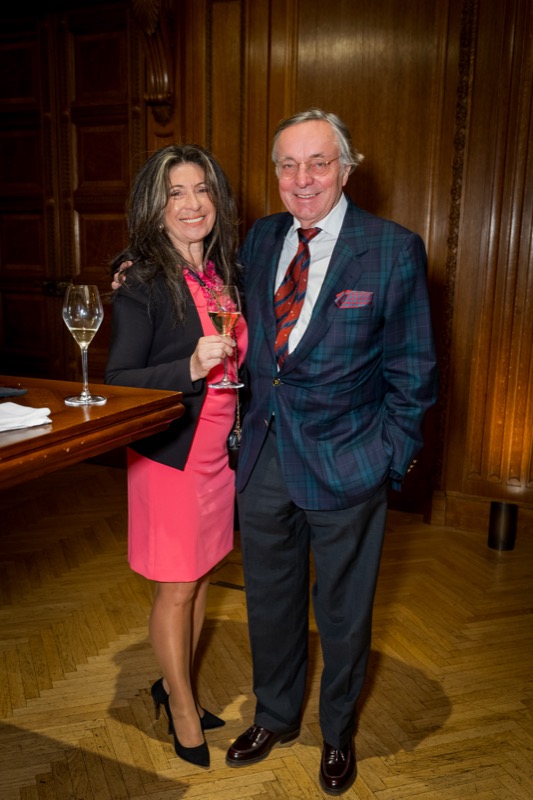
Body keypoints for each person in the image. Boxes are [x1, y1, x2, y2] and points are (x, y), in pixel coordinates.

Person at [224, 109, 438, 794]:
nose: (302, 178)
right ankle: (275, 716)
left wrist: (388, 457)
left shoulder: (391, 249)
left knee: (343, 614)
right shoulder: (261, 238)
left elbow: (413, 370)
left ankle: (337, 732)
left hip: (350, 462)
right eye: (287, 165)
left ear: (346, 168)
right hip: (265, 457)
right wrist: (130, 266)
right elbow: (196, 275)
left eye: (318, 162)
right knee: (269, 600)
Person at [105, 144, 248, 770]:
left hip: (219, 456)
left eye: (202, 189)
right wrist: (189, 366)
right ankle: (183, 712)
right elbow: (119, 380)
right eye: (175, 193)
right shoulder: (142, 280)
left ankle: (173, 684)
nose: (192, 204)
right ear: (154, 206)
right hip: (172, 459)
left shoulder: (222, 272)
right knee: (177, 587)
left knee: (203, 576)